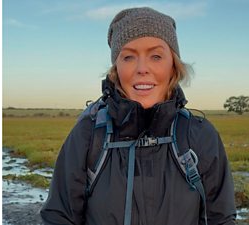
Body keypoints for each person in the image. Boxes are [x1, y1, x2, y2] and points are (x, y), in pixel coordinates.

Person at [40, 7, 236, 225]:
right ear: (116, 68)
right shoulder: (89, 133)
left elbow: (221, 219)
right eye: (129, 57)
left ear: (173, 66)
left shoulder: (200, 135)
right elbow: (60, 217)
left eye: (156, 56)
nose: (142, 68)